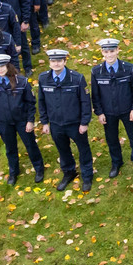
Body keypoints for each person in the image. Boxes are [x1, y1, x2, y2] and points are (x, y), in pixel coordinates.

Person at [36, 49, 93, 192]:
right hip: (56, 124)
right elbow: (41, 101)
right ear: (49, 63)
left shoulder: (77, 78)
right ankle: (69, 172)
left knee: (83, 149)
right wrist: (44, 122)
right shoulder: (43, 79)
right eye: (53, 61)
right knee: (63, 150)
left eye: (59, 61)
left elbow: (85, 102)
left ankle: (87, 176)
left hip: (75, 124)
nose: (56, 64)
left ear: (65, 61)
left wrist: (84, 122)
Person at [0, 54, 45, 184]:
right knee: (10, 148)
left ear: (8, 66)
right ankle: (13, 172)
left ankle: (39, 169)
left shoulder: (21, 82)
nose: (0, 69)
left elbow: (30, 102)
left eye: (2, 66)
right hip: (3, 122)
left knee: (30, 145)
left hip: (22, 120)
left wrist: (30, 121)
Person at [90, 39, 133, 178]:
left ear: (118, 50)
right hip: (108, 112)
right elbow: (95, 95)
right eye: (106, 52)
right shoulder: (96, 71)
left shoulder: (129, 68)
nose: (109, 55)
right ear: (102, 52)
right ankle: (116, 162)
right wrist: (99, 112)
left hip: (127, 110)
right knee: (111, 138)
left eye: (112, 51)